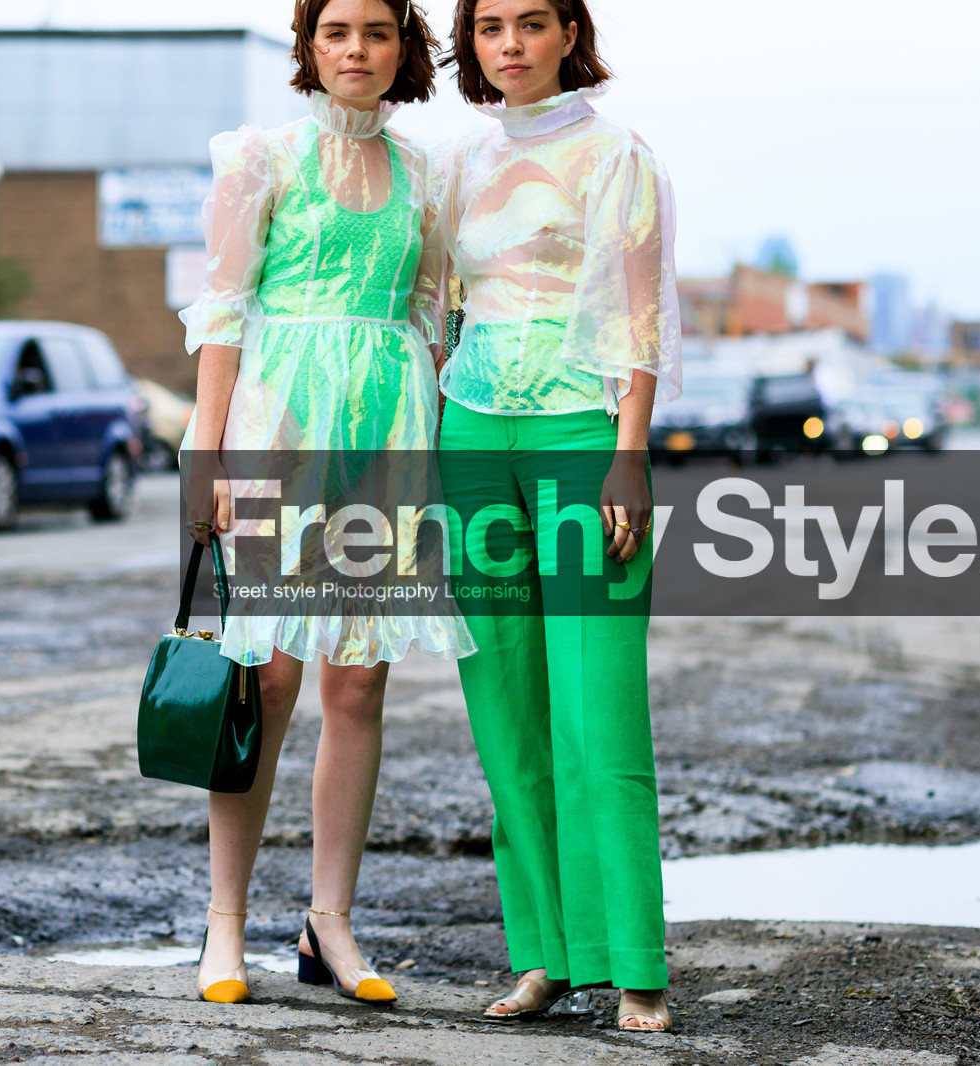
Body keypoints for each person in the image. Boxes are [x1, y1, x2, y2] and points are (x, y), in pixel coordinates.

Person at [180, 0, 474, 1006]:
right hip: (277, 426)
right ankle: (223, 925)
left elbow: (435, 318)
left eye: (377, 33)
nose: (356, 50)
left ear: (405, 49)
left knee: (357, 684)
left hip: (386, 435)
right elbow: (222, 313)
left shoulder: (428, 174)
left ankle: (327, 925)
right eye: (337, 31)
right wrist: (206, 455)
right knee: (262, 679)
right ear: (308, 46)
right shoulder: (258, 158)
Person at [433, 0, 682, 1032]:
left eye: (530, 22)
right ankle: (539, 955)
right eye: (489, 26)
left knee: (598, 708)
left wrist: (629, 455)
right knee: (505, 714)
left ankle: (634, 963)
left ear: (567, 35)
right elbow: (438, 307)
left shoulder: (616, 154)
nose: (510, 44)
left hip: (585, 438)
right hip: (470, 437)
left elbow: (643, 316)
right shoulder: (456, 164)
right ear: (471, 44)